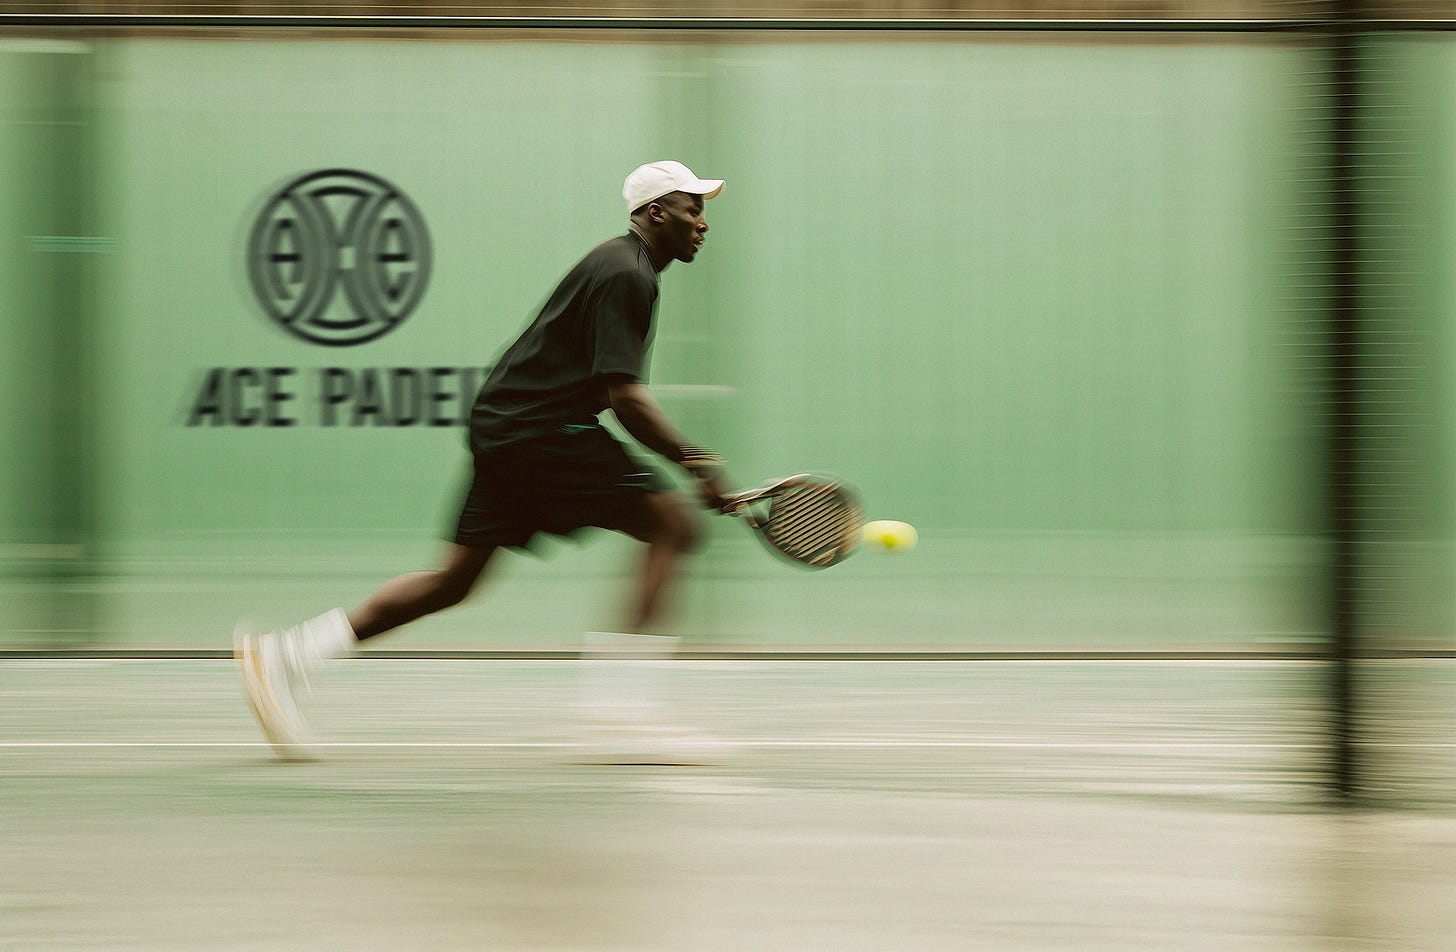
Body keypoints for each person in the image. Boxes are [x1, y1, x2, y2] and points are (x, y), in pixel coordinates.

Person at [236, 160, 731, 763]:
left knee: (455, 580)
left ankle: (288, 655)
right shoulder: (628, 274)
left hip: (509, 424)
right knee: (673, 525)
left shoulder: (620, 264)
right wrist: (699, 464)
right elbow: (625, 396)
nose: (703, 223)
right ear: (658, 212)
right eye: (693, 208)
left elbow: (610, 390)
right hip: (539, 430)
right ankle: (619, 714)